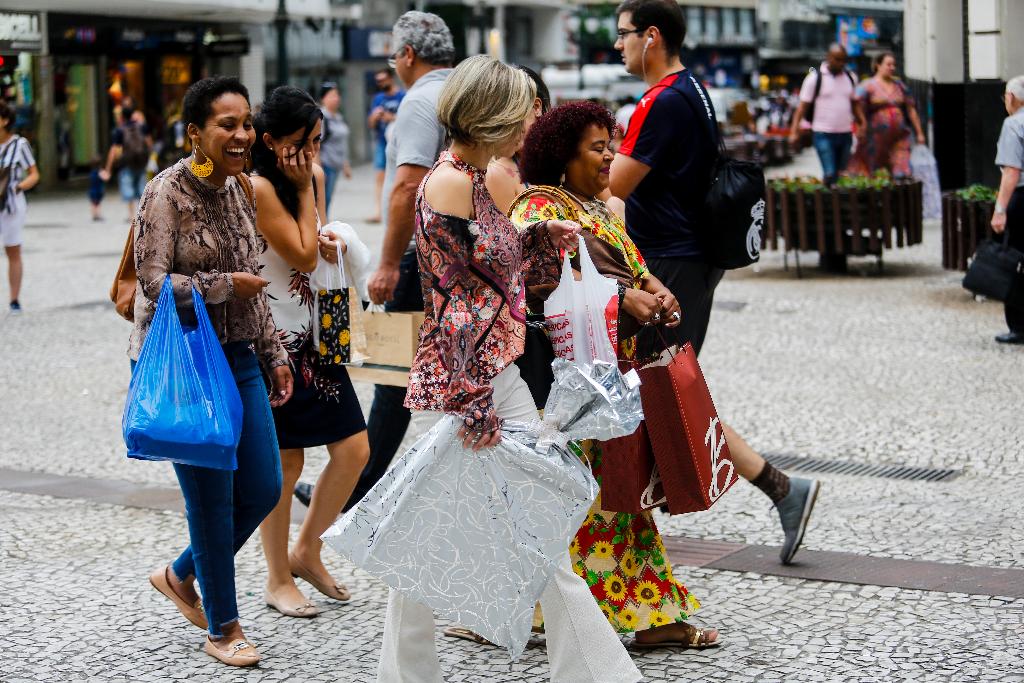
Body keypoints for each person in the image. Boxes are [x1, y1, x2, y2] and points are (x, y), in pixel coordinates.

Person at [377, 54, 641, 683]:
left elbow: (515, 277)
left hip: (495, 378)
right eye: (524, 107)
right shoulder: (451, 181)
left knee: (453, 525)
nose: (533, 118)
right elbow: (461, 297)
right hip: (475, 385)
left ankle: (405, 672)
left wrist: (547, 233)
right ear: (493, 113)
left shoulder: (488, 175)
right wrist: (473, 400)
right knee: (520, 524)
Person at [609, 0, 819, 565]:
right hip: (689, 260)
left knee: (654, 394)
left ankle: (775, 490)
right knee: (658, 394)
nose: (618, 45)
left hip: (672, 265)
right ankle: (779, 489)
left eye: (624, 34)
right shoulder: (692, 90)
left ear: (652, 36)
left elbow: (615, 186)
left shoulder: (661, 101)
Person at [512, 100, 719, 648]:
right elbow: (536, 288)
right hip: (575, 381)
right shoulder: (537, 209)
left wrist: (657, 291)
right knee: (601, 501)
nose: (610, 156)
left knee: (616, 499)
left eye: (612, 144)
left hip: (615, 374)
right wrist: (622, 298)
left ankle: (559, 611)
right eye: (597, 147)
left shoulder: (597, 208)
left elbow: (637, 270)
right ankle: (626, 615)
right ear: (561, 155)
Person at [130, 76, 293, 667]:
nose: (242, 134)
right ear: (195, 131)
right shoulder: (165, 193)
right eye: (227, 124)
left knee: (264, 486)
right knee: (213, 501)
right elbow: (152, 282)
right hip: (188, 365)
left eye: (246, 123)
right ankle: (224, 627)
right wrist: (224, 287)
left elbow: (258, 282)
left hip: (243, 356)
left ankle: (180, 573)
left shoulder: (243, 190)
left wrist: (274, 354)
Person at [249, 86, 371, 619]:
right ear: (271, 141)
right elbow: (297, 253)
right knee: (285, 461)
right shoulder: (256, 187)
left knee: (354, 449)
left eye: (319, 141)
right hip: (271, 339)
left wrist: (330, 236)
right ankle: (277, 576)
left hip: (315, 332)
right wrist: (303, 194)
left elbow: (309, 244)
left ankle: (308, 549)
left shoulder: (311, 178)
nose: (313, 154)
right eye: (303, 143)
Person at [346, 11, 454, 513]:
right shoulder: (465, 89)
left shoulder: (419, 100)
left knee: (393, 378)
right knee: (433, 375)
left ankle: (354, 488)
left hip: (419, 258)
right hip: (461, 258)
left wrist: (388, 263)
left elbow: (409, 184)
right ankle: (359, 483)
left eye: (395, 53)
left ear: (408, 55)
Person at [788, 44, 866, 186]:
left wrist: (862, 123)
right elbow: (801, 108)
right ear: (828, 57)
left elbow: (855, 104)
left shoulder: (851, 77)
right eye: (837, 59)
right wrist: (794, 131)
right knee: (830, 173)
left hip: (845, 134)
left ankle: (837, 204)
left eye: (844, 60)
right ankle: (828, 203)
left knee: (842, 174)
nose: (841, 63)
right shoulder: (814, 78)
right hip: (823, 134)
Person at [846, 52, 926, 178]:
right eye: (888, 64)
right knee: (875, 170)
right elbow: (855, 101)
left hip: (899, 136)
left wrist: (919, 132)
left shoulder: (899, 85)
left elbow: (911, 108)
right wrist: (862, 122)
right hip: (876, 138)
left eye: (894, 65)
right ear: (878, 65)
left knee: (901, 171)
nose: (892, 68)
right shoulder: (869, 85)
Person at [486, 65, 551, 214]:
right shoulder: (498, 173)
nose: (505, 124)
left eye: (513, 112)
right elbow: (507, 236)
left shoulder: (567, 157)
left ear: (536, 107)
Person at [991, 75, 1024, 345]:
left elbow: (1012, 171)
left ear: (1011, 98)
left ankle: (1019, 326)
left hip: (1023, 199)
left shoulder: (1013, 125)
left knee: (1017, 260)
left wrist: (1000, 208)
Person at [0, 101, 39, 314]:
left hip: (11, 205)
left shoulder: (19, 144)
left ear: (5, 120)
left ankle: (14, 299)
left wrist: (19, 186)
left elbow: (34, 173)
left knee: (12, 250)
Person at [102, 105, 154, 220]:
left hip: (127, 163)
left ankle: (131, 215)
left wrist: (108, 168)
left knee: (128, 188)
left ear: (122, 117)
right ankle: (143, 215)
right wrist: (148, 157)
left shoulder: (120, 130)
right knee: (142, 188)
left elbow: (113, 150)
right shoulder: (142, 127)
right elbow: (149, 143)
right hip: (141, 162)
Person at [366, 68, 404, 223]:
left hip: (399, 143)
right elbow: (370, 123)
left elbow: (408, 119)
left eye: (383, 80)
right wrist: (375, 117)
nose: (380, 83)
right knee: (380, 177)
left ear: (391, 79)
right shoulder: (378, 99)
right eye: (378, 81)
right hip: (382, 142)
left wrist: (391, 117)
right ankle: (380, 211)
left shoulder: (403, 96)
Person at [318, 82, 352, 214]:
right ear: (323, 98)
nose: (336, 98)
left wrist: (346, 165)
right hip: (326, 165)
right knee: (323, 200)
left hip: (336, 165)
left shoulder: (338, 117)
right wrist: (319, 170)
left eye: (337, 95)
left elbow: (342, 143)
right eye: (332, 95)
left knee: (328, 198)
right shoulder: (321, 117)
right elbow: (316, 144)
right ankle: (321, 228)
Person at [88, 156, 105, 221]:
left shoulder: (92, 172)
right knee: (97, 204)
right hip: (98, 191)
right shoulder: (100, 172)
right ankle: (98, 215)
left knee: (93, 203)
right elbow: (105, 177)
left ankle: (94, 215)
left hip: (92, 190)